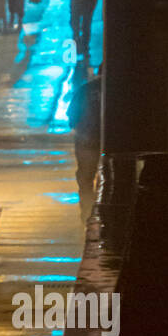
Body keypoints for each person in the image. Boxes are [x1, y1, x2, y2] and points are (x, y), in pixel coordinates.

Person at [67, 68, 101, 222]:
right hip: (111, 140)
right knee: (108, 176)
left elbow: (72, 115)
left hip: (87, 139)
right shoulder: (119, 91)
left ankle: (87, 213)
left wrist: (81, 130)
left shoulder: (85, 90)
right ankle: (101, 212)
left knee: (85, 178)